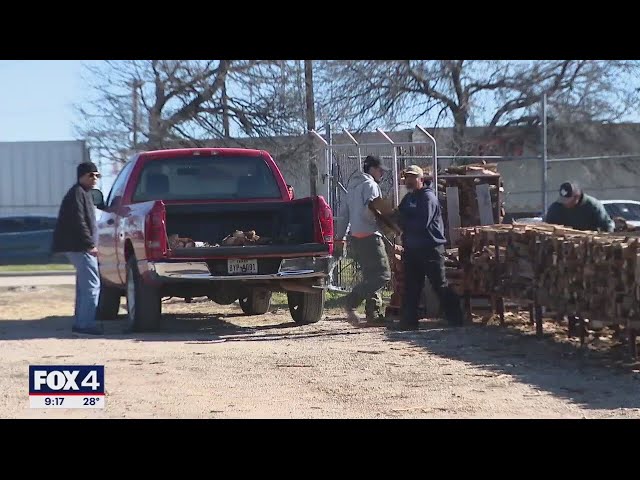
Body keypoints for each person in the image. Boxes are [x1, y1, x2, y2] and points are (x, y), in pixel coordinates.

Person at [388, 165, 463, 330]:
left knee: (439, 284)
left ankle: (456, 318)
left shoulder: (427, 197)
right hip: (412, 249)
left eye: (412, 177)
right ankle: (409, 322)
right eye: (407, 177)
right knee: (412, 286)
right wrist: (389, 216)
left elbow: (422, 223)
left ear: (420, 179)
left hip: (430, 247)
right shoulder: (408, 198)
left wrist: (402, 223)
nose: (409, 180)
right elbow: (399, 215)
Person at [334, 155, 392, 325]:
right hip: (371, 235)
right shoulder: (371, 185)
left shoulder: (352, 187)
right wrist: (387, 224)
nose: (382, 173)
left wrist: (340, 237)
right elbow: (371, 210)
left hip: (356, 237)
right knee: (383, 275)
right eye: (380, 169)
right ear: (371, 169)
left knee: (370, 276)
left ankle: (372, 314)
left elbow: (344, 214)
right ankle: (351, 301)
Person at [52, 161, 103, 336]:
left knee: (84, 285)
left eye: (97, 175)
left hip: (80, 247)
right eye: (91, 175)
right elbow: (79, 222)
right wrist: (89, 245)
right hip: (80, 247)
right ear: (82, 175)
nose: (95, 178)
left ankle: (81, 322)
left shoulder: (84, 193)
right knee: (92, 285)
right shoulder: (77, 194)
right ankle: (85, 325)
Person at [544, 181, 614, 232]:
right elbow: (547, 226)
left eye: (568, 201)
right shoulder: (556, 207)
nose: (565, 204)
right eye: (563, 200)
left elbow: (607, 225)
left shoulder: (593, 206)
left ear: (577, 197)